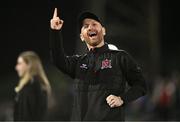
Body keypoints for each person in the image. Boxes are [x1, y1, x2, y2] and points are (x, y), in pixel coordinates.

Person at [49, 8, 147, 121]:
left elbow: (141, 85)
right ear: (81, 36)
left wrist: (122, 99)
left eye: (94, 24)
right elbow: (58, 60)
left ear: (104, 31)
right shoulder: (78, 62)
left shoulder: (120, 57)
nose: (90, 27)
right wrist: (55, 32)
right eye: (86, 26)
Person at [14, 51, 51, 121]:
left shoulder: (34, 86)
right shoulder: (27, 86)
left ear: (29, 65)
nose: (16, 67)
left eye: (19, 63)